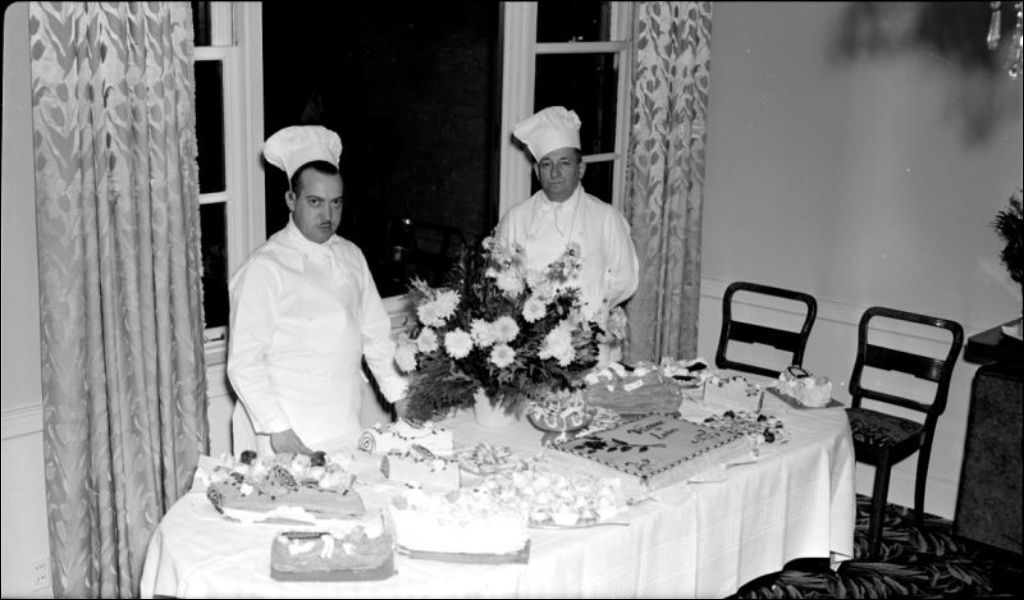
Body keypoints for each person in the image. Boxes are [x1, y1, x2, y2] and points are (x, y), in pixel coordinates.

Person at [227, 125, 407, 456]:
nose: (327, 215)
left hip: (342, 423)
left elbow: (376, 336)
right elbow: (244, 362)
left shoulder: (351, 255)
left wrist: (400, 396)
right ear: (291, 200)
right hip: (283, 434)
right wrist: (277, 428)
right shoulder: (264, 268)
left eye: (336, 203)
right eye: (315, 202)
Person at [495, 106, 639, 339]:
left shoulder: (606, 217)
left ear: (580, 169)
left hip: (588, 339)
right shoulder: (516, 218)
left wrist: (591, 312)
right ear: (536, 171)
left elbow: (626, 279)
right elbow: (499, 276)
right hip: (529, 341)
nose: (555, 173)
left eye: (564, 163)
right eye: (546, 164)